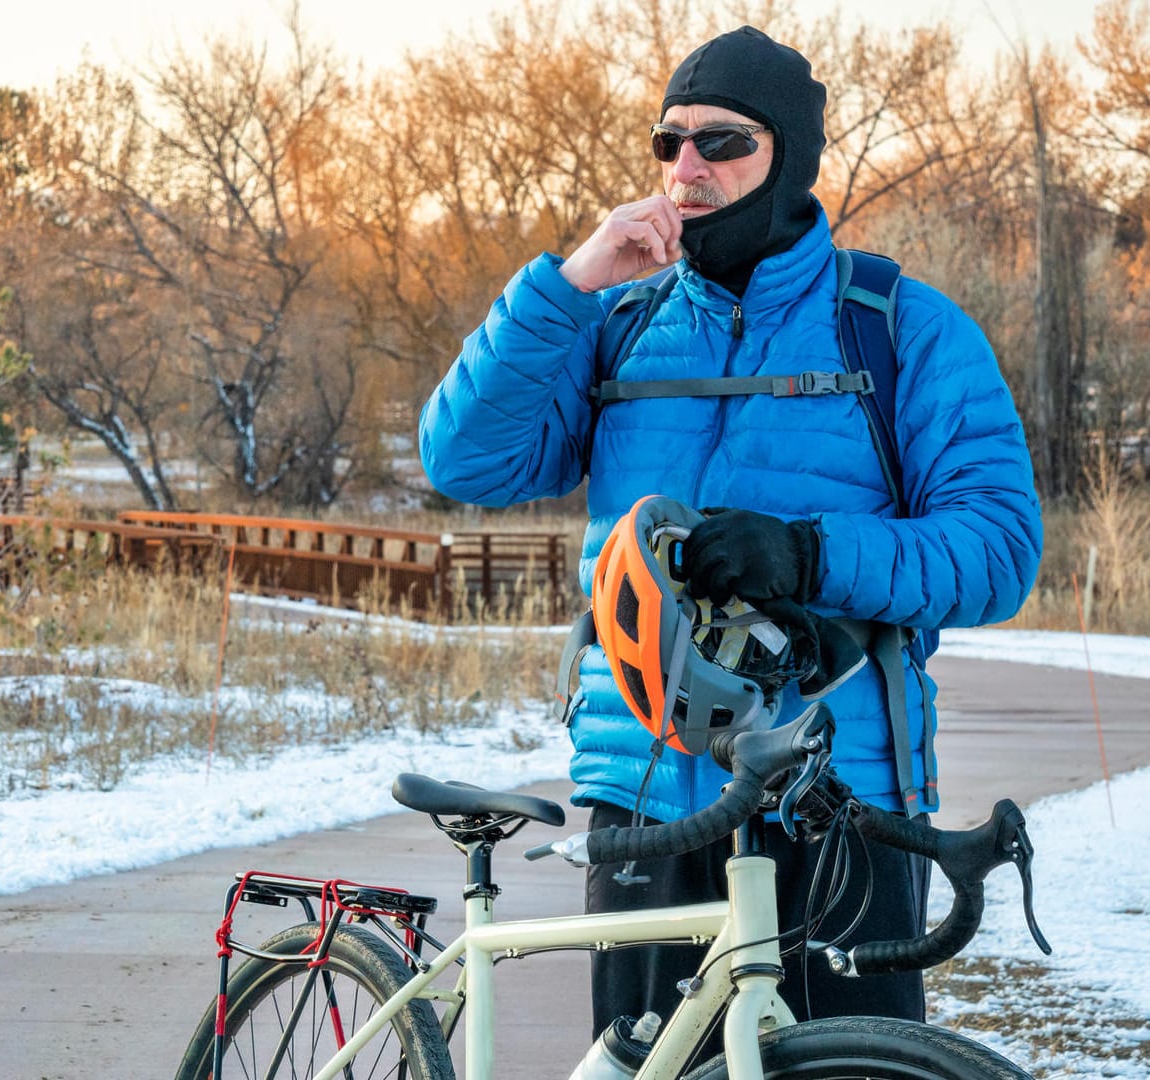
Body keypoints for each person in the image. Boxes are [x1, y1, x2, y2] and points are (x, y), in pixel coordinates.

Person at [417, 24, 1042, 1057]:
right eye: (669, 144)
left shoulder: (901, 330)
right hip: (648, 790)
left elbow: (998, 549)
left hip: (843, 795)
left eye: (722, 143)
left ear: (788, 158)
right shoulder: (617, 323)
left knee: (853, 1069)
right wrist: (569, 286)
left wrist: (810, 553)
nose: (687, 168)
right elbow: (464, 462)